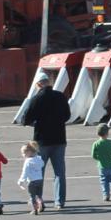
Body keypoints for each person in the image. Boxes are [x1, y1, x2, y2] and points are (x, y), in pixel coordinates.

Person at [22, 72, 70, 208]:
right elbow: (67, 115)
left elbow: (25, 119)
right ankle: (59, 202)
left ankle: (38, 200)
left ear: (38, 84)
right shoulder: (60, 96)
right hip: (60, 139)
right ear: (48, 82)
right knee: (59, 172)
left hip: (41, 141)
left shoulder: (36, 99)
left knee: (38, 172)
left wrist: (36, 122)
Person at [92, 123, 111, 201]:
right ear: (107, 133)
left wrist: (98, 158)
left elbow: (93, 155)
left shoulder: (96, 144)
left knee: (103, 180)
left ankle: (106, 195)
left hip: (101, 165)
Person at [17, 142, 45, 215]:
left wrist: (21, 181)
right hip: (40, 180)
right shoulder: (39, 158)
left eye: (24, 153)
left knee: (32, 196)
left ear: (29, 152)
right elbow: (42, 164)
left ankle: (34, 209)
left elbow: (24, 172)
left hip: (32, 181)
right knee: (39, 195)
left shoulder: (28, 161)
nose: (23, 155)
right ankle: (40, 202)